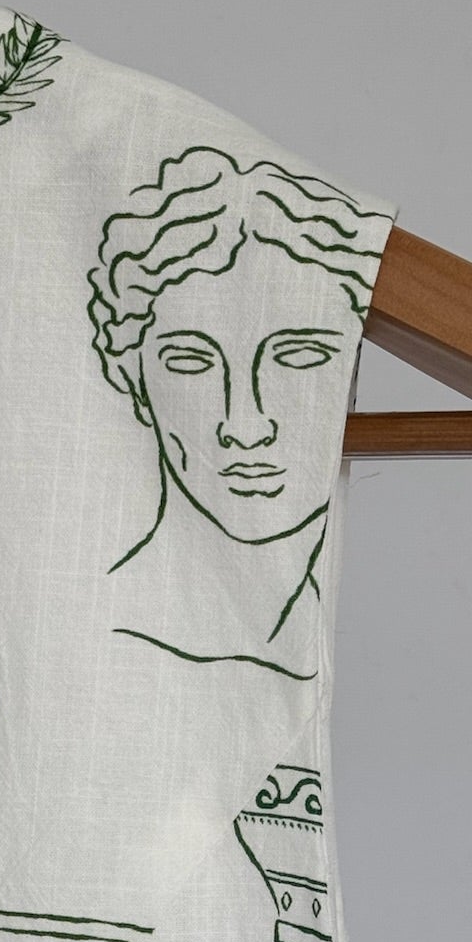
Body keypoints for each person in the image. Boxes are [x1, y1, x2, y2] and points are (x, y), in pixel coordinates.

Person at [87, 145, 392, 677]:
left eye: (299, 356)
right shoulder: (97, 642)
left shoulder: (300, 627)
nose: (245, 425)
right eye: (190, 361)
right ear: (132, 379)